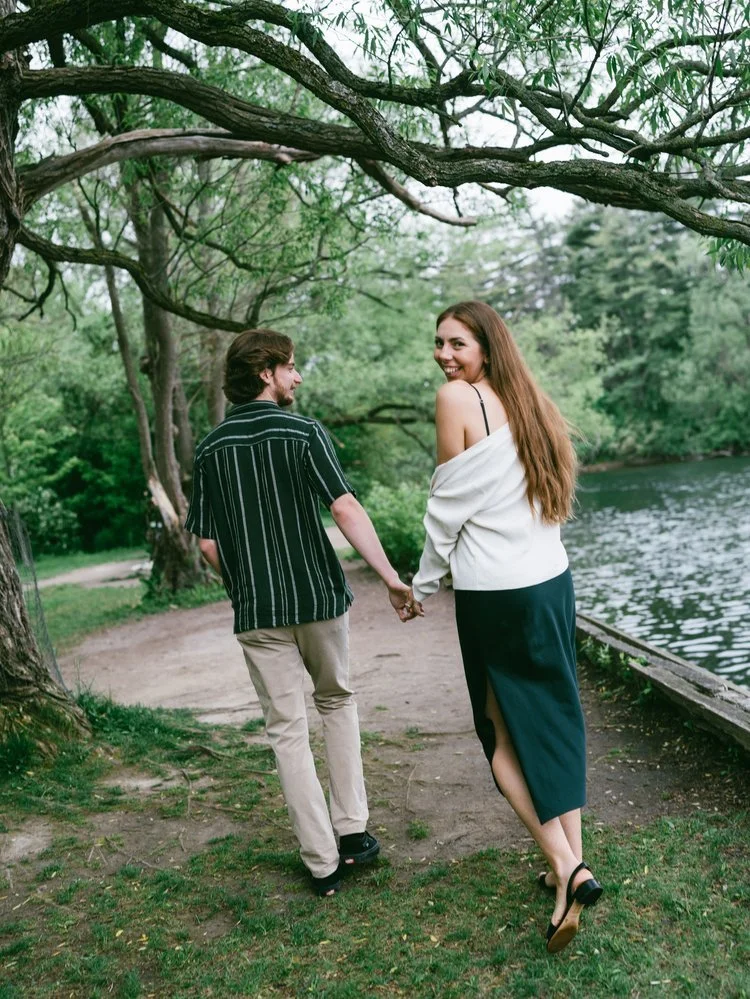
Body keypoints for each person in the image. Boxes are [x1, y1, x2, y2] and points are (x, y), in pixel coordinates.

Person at [185, 328, 414, 897]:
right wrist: (390, 578)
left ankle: (321, 864)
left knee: (286, 731)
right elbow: (343, 506)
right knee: (337, 702)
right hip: (316, 597)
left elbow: (208, 543)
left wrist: (243, 589)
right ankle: (353, 832)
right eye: (290, 367)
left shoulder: (211, 449)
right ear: (266, 373)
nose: (298, 376)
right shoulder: (304, 433)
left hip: (257, 612)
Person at [406, 301, 602, 953]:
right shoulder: (529, 402)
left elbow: (445, 511)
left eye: (456, 343)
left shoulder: (457, 400)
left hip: (497, 594)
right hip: (552, 581)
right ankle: (563, 869)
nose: (443, 355)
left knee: (498, 729)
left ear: (486, 346)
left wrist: (420, 584)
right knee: (549, 719)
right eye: (437, 343)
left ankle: (568, 866)